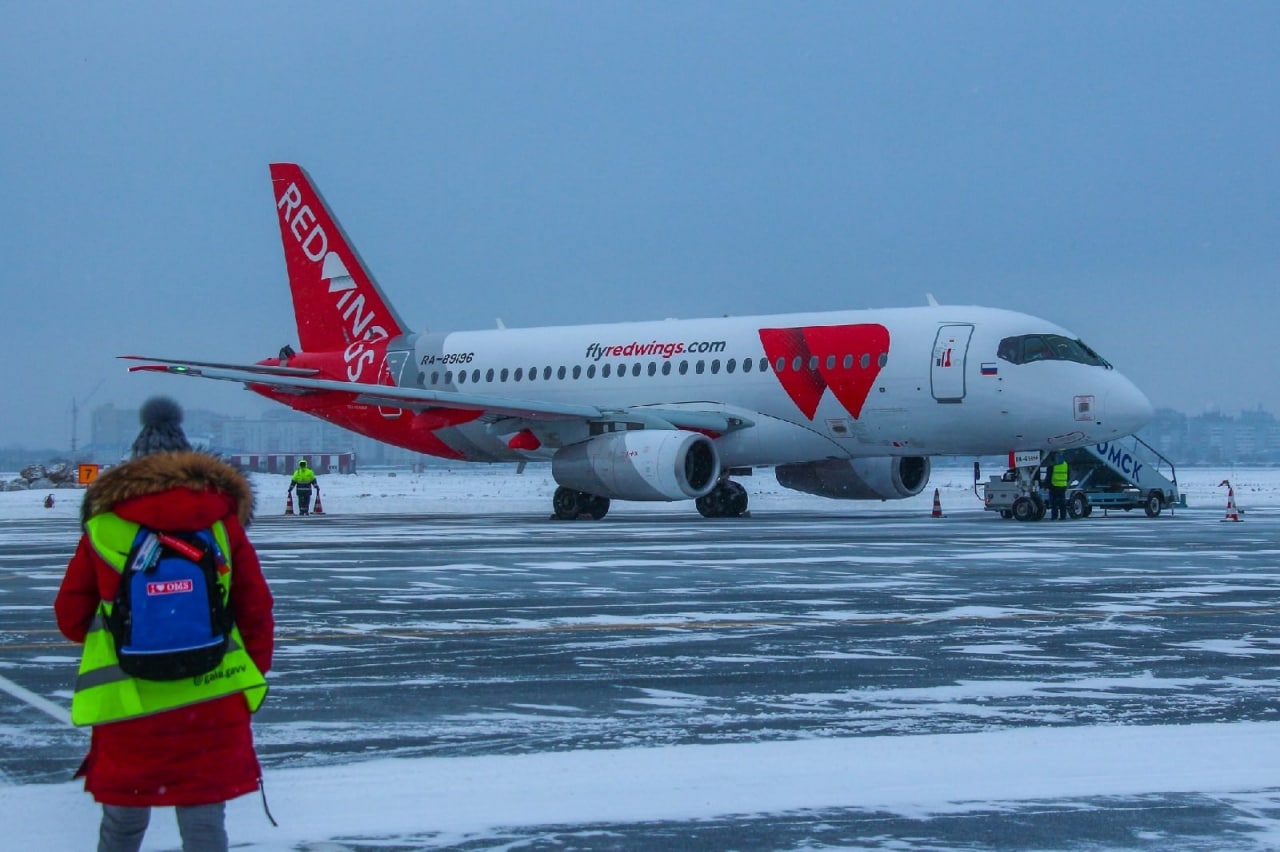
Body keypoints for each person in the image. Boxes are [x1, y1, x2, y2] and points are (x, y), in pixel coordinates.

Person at [55, 397, 274, 852]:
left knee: (122, 824)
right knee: (204, 824)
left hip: (128, 704)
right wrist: (244, 673)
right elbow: (256, 610)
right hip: (213, 698)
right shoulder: (221, 523)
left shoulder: (105, 527)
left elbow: (71, 618)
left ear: (134, 466)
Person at [1048, 451, 1070, 520]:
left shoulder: (1052, 465)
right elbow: (1068, 476)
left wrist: (1046, 486)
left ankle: (1054, 516)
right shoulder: (1065, 464)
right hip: (1063, 486)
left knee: (1054, 503)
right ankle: (1063, 516)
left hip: (1054, 486)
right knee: (1062, 503)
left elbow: (1049, 476)